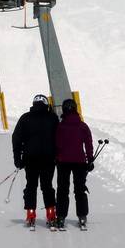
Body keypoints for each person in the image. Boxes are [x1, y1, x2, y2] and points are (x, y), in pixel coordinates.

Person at [12, 94, 59, 228]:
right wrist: (58, 155)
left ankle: (30, 214)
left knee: (31, 186)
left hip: (30, 158)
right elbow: (59, 138)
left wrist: (17, 158)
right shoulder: (53, 118)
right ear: (46, 104)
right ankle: (51, 214)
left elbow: (16, 138)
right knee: (47, 186)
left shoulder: (25, 118)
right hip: (48, 158)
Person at [54, 98, 94, 230]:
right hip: (80, 162)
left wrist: (56, 157)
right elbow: (88, 144)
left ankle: (60, 217)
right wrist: (90, 159)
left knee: (62, 190)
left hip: (63, 162)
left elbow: (57, 144)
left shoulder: (60, 126)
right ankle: (82, 216)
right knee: (80, 189)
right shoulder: (83, 126)